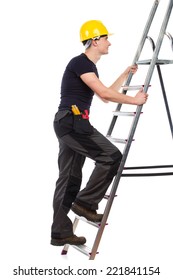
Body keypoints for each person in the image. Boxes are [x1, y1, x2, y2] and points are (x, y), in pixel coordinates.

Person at [51, 20, 148, 246]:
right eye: (106, 39)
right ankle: (85, 204)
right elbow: (104, 92)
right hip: (73, 124)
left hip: (69, 123)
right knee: (111, 156)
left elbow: (104, 96)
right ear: (95, 41)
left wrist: (124, 75)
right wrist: (135, 101)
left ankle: (60, 232)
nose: (109, 43)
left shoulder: (87, 67)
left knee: (69, 180)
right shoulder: (80, 62)